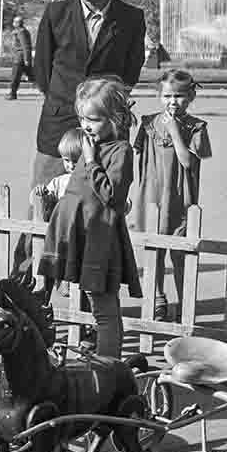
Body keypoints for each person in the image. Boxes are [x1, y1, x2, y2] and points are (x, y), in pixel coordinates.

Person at [12, 0, 146, 279]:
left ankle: (89, 296)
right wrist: (65, 104)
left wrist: (102, 112)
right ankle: (24, 282)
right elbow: (42, 71)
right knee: (40, 208)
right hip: (57, 128)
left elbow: (129, 74)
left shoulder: (131, 19)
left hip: (106, 131)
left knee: (97, 211)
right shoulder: (56, 14)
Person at [37, 77, 142, 358]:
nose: (85, 125)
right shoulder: (88, 143)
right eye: (82, 117)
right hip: (74, 234)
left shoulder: (120, 151)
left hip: (98, 239)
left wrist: (92, 159)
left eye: (93, 119)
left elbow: (112, 196)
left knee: (104, 310)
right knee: (44, 291)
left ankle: (109, 368)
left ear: (115, 118)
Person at [131, 69, 212, 321]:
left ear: (191, 96)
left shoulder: (196, 127)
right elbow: (136, 156)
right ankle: (156, 297)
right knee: (153, 251)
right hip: (152, 196)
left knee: (180, 253)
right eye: (167, 95)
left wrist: (175, 131)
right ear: (159, 96)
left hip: (180, 197)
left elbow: (188, 162)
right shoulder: (148, 123)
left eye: (179, 95)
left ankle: (184, 303)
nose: (172, 101)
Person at [29, 126, 83, 221]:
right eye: (66, 160)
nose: (71, 165)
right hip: (62, 228)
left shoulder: (92, 180)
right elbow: (35, 201)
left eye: (75, 161)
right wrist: (41, 193)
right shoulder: (59, 182)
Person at [5, 16, 33, 100]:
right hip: (21, 57)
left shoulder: (21, 32)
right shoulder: (19, 31)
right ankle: (48, 91)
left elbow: (25, 46)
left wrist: (26, 59)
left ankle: (12, 94)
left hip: (20, 58)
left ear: (18, 23)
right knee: (32, 76)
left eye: (14, 22)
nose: (13, 23)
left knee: (15, 77)